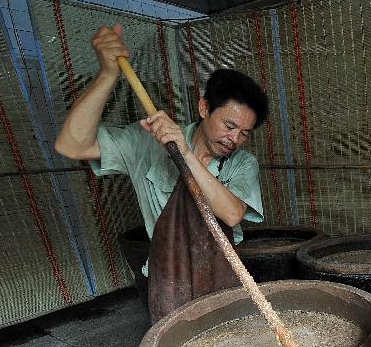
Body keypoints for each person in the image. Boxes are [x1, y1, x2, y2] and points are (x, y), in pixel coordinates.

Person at [54, 23, 268, 279]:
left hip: (222, 272)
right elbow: (72, 145)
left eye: (244, 133)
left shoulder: (243, 163)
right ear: (204, 108)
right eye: (229, 125)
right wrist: (107, 75)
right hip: (166, 277)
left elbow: (232, 214)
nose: (234, 138)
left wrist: (185, 153)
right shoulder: (146, 143)